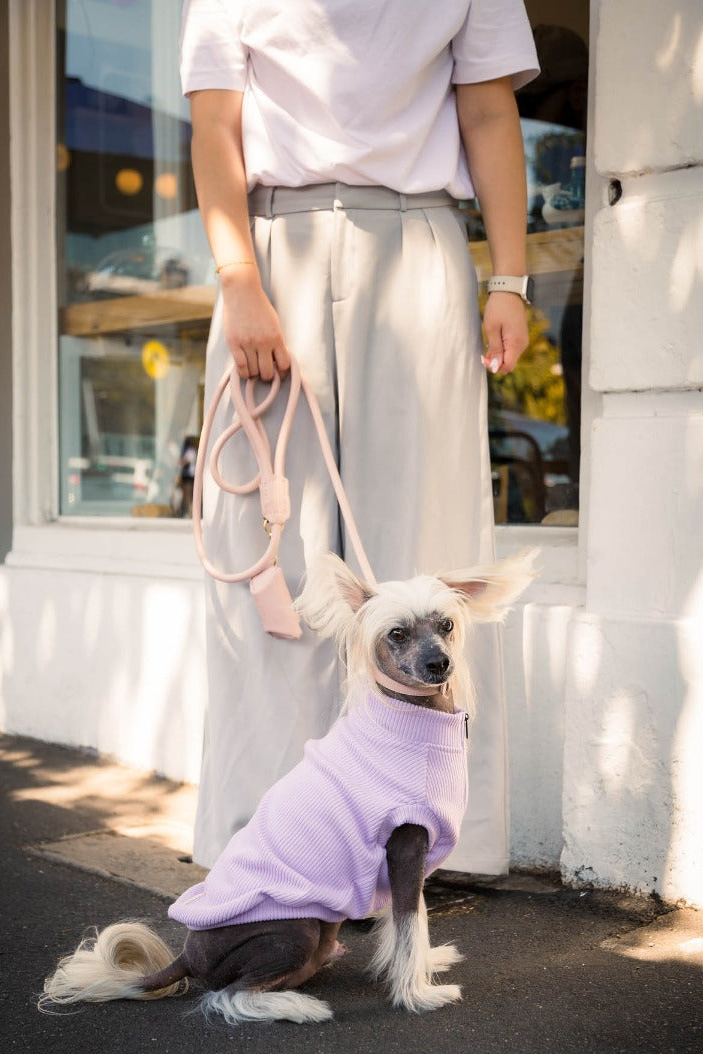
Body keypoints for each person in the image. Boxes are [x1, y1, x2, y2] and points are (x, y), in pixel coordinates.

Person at [179, 0, 539, 871]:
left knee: (422, 551)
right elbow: (215, 125)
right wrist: (238, 278)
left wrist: (511, 278)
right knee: (275, 556)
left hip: (416, 239)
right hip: (273, 248)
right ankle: (265, 834)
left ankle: (429, 834)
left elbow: (488, 111)